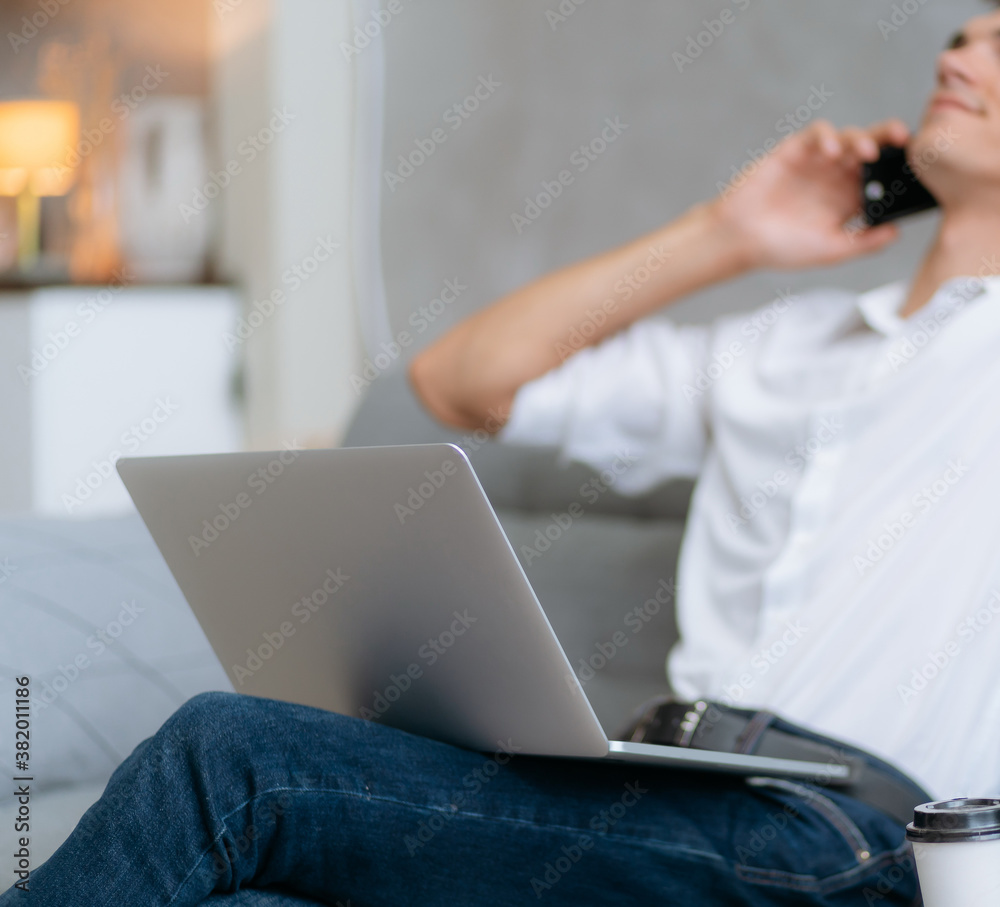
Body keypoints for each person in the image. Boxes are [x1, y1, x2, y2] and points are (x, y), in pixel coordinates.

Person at [7, 7, 1000, 906]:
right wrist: (725, 232)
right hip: (666, 787)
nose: (963, 50)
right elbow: (462, 381)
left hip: (856, 839)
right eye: (963, 36)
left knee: (232, 755)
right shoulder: (778, 348)